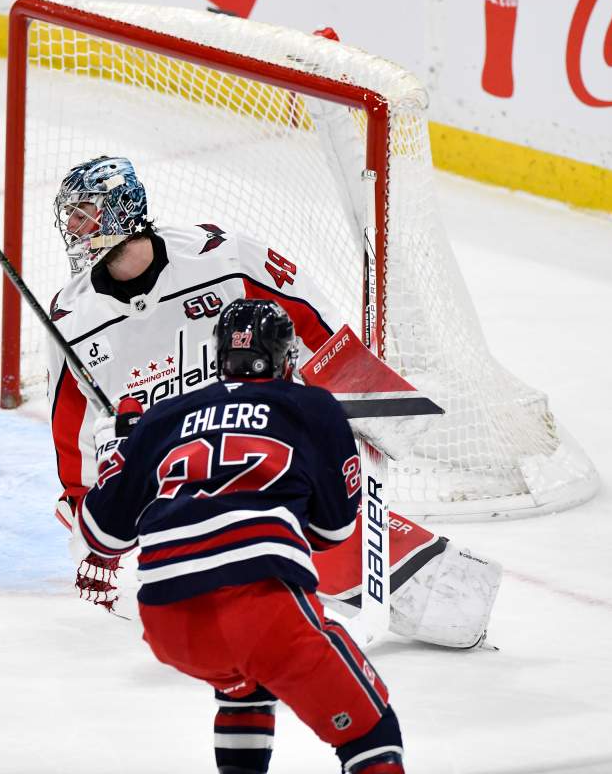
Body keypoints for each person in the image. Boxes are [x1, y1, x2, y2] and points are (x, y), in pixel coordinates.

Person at [46, 156, 501, 648]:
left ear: (122, 209)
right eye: (70, 216)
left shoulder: (222, 259)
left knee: (452, 597)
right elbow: (71, 435)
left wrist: (374, 412)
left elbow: (313, 328)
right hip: (169, 476)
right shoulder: (71, 318)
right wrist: (89, 530)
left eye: (84, 212)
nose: (73, 227)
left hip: (255, 438)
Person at [73, 299, 405, 774]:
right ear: (285, 357)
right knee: (372, 731)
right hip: (261, 604)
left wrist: (114, 454)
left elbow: (100, 535)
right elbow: (334, 529)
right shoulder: (310, 406)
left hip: (168, 622)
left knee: (246, 689)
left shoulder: (162, 417)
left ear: (218, 356)